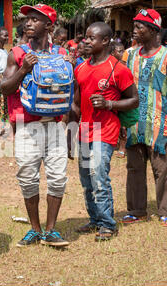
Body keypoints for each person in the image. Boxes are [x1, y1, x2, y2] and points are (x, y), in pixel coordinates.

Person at [1, 3, 75, 247]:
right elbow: (5, 88)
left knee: (57, 178)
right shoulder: (18, 53)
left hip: (54, 126)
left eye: (35, 19)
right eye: (27, 19)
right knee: (28, 177)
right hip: (27, 126)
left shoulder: (61, 54)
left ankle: (51, 230)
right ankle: (34, 229)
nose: (28, 23)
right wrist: (23, 70)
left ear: (49, 25)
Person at [123, 9, 167, 227]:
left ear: (153, 30)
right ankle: (136, 210)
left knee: (161, 169)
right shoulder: (129, 55)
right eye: (134, 26)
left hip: (160, 123)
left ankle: (165, 210)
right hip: (134, 123)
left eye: (139, 27)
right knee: (134, 168)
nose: (134, 31)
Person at [70, 22, 138, 241]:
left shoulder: (118, 69)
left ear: (106, 41)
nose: (86, 41)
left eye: (92, 38)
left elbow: (134, 100)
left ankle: (108, 223)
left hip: (106, 130)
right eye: (86, 38)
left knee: (99, 177)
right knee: (86, 180)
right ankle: (95, 219)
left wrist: (109, 104)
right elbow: (77, 105)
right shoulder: (80, 68)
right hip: (84, 130)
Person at [110, 41, 128, 159]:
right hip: (113, 98)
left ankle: (122, 146)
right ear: (112, 53)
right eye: (119, 51)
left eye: (123, 50)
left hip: (123, 97)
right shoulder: (111, 65)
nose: (123, 53)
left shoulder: (124, 66)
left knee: (124, 124)